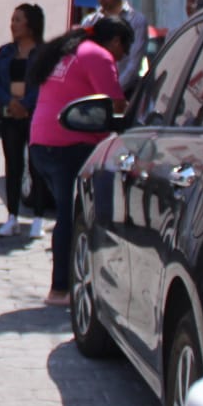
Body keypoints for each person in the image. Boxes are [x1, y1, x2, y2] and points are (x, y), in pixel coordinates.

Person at [29, 17, 134, 307]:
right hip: (71, 143)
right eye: (124, 49)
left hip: (41, 143)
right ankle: (61, 288)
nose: (123, 56)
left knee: (67, 214)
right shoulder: (98, 56)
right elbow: (116, 104)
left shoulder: (66, 51)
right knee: (70, 218)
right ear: (115, 42)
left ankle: (66, 284)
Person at [0, 3, 48, 238]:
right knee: (13, 165)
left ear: (31, 24)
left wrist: (25, 104)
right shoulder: (5, 51)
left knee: (37, 167)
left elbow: (46, 83)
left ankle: (38, 218)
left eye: (18, 20)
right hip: (10, 114)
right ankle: (12, 216)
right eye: (12, 20)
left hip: (34, 115)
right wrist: (8, 102)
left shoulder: (44, 52)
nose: (12, 24)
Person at [81, 0, 150, 96]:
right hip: (94, 93)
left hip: (126, 92)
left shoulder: (136, 21)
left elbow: (134, 65)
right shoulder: (90, 22)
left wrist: (113, 91)